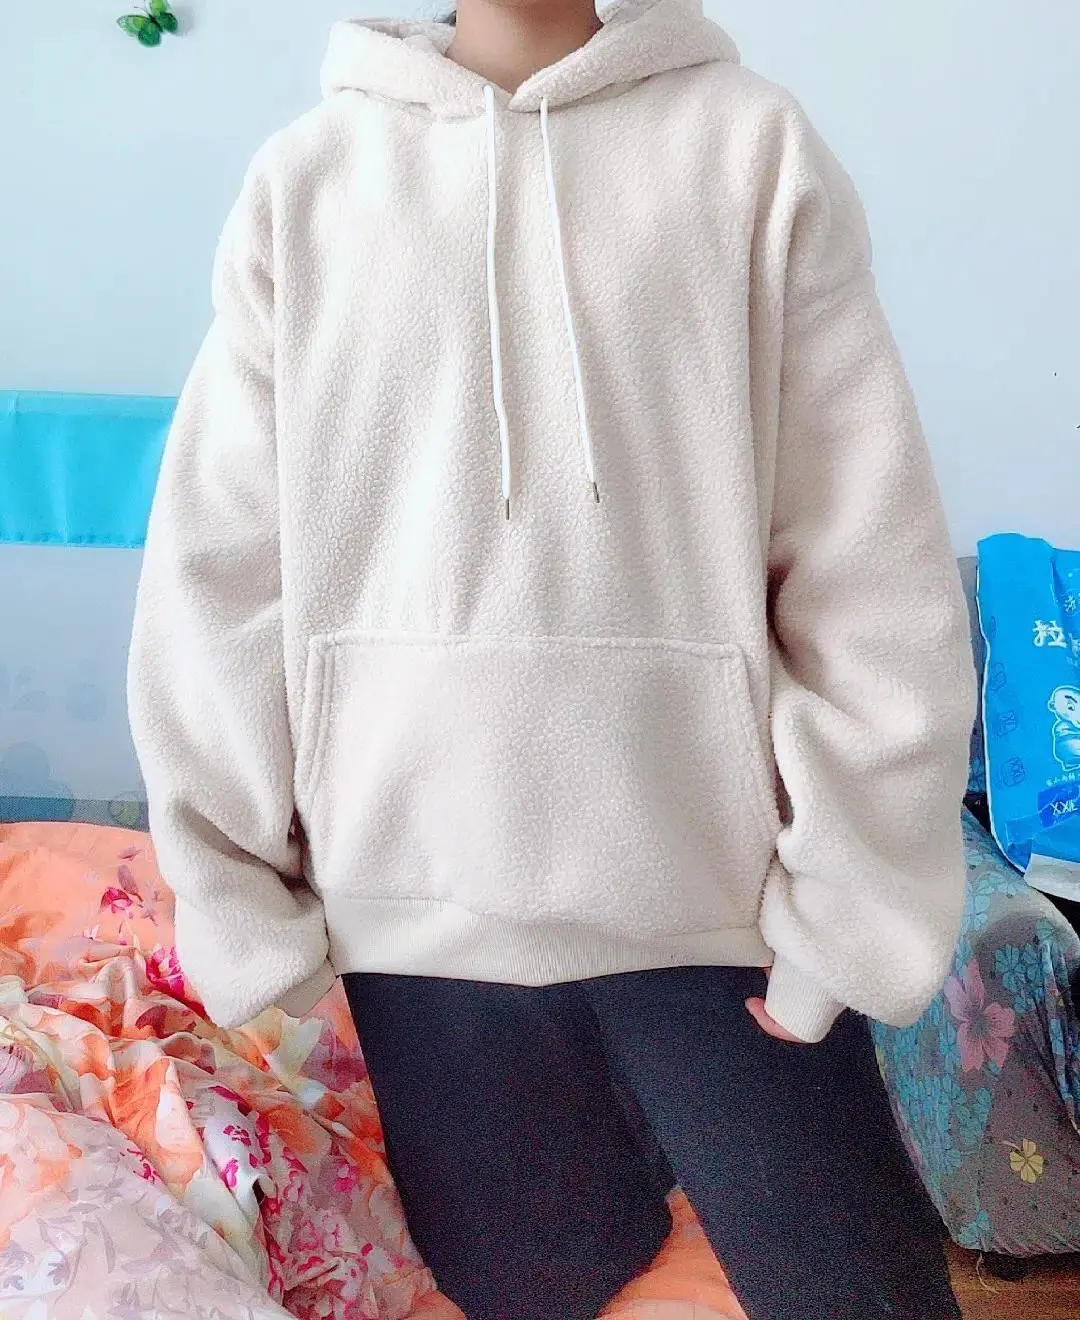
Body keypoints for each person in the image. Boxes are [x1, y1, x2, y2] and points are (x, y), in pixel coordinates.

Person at [128, 1, 977, 1316]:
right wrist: (241, 902)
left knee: (859, 1291)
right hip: (415, 917)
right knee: (536, 1277)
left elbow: (867, 560)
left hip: (718, 905)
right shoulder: (309, 182)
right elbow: (219, 573)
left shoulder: (751, 149)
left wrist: (849, 913)